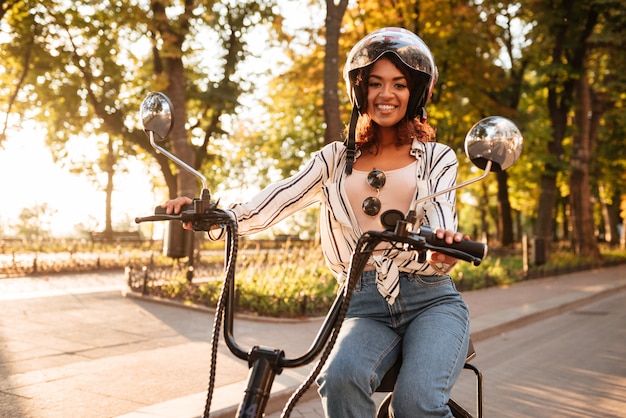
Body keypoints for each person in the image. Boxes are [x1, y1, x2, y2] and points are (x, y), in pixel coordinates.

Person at [163, 27, 470, 418]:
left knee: (416, 403)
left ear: (416, 93)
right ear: (360, 91)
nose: (386, 94)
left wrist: (443, 249)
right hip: (362, 303)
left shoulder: (437, 157)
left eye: (399, 84)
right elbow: (274, 201)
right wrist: (212, 210)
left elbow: (441, 211)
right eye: (375, 83)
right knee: (337, 378)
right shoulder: (333, 159)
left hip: (431, 300)